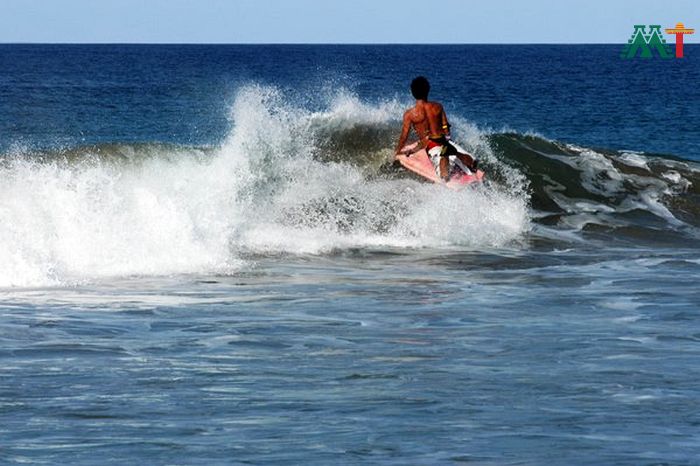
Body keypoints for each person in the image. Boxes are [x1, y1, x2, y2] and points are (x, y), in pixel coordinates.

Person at [395, 76, 477, 182]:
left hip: (431, 145)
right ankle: (455, 153)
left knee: (444, 175)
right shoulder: (438, 107)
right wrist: (447, 138)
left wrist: (397, 151)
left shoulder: (410, 114)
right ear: (428, 90)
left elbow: (404, 136)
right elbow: (445, 126)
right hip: (444, 140)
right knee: (470, 160)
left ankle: (446, 154)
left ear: (412, 92)